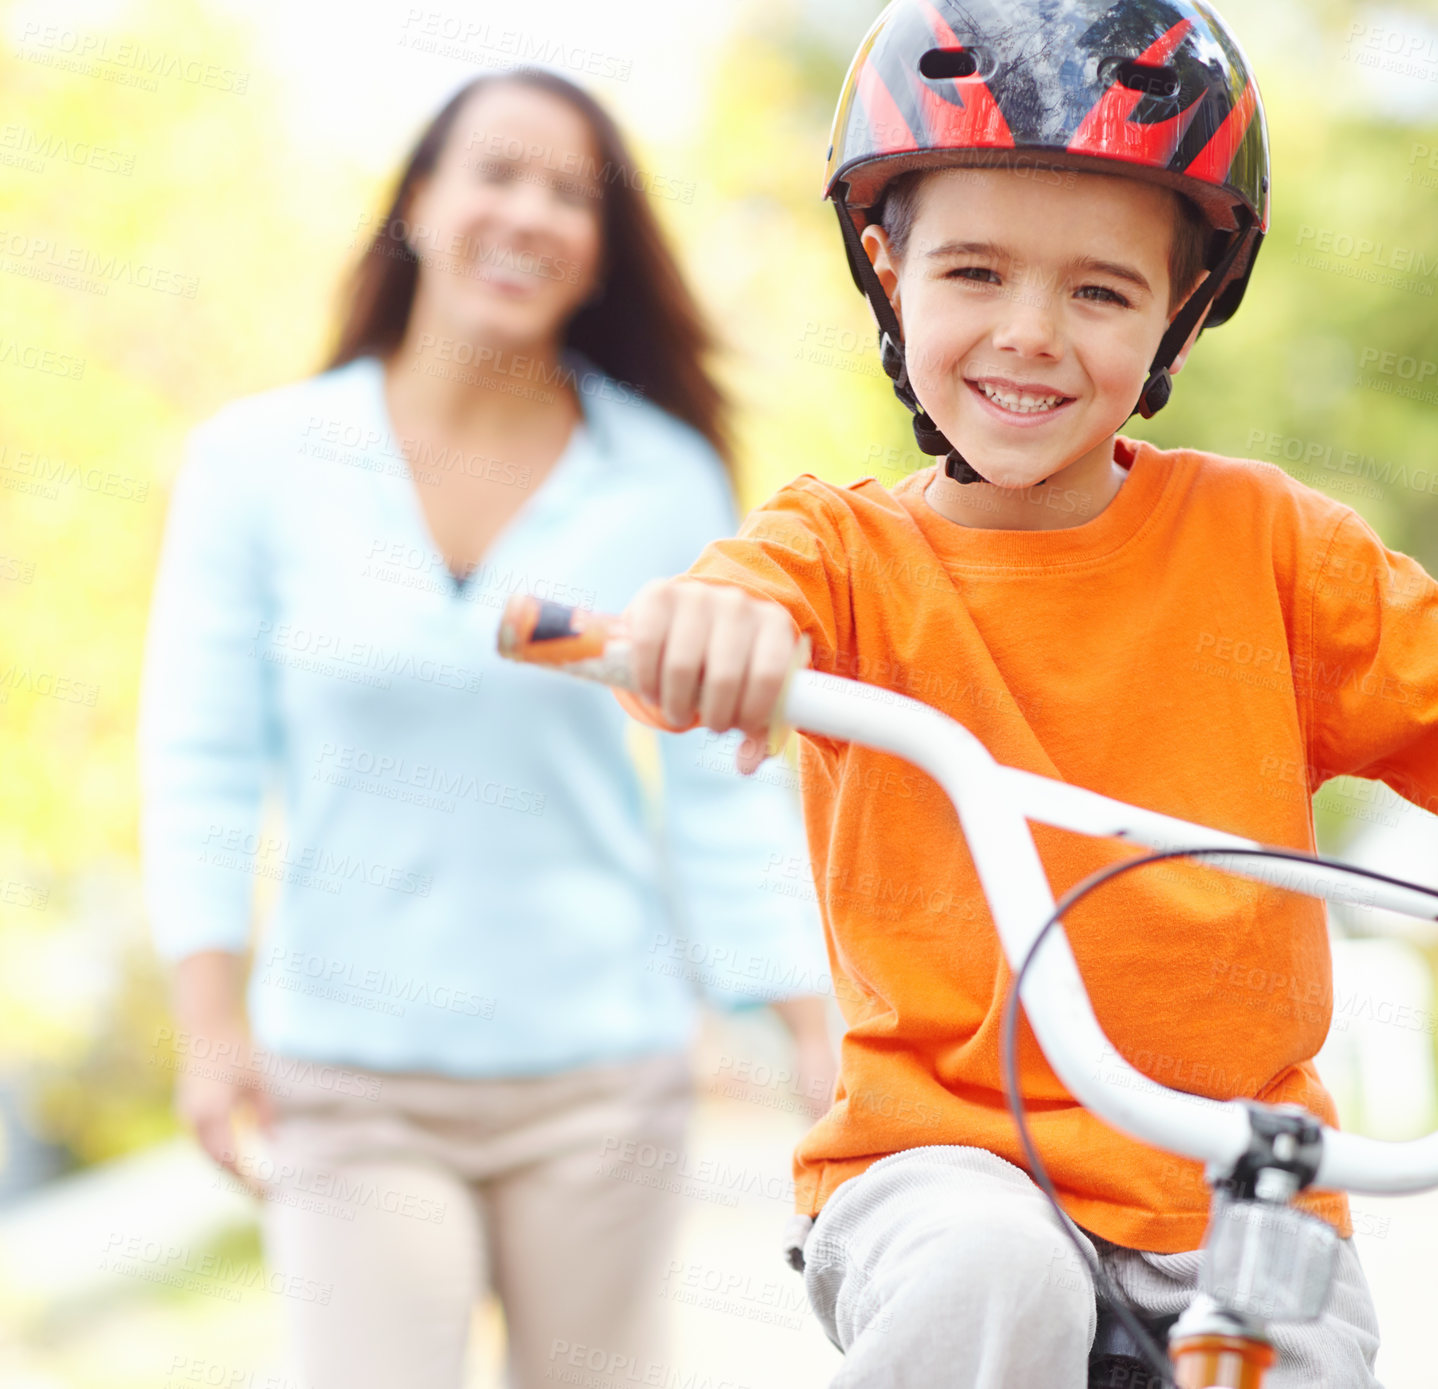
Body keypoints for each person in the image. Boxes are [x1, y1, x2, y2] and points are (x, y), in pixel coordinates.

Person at [610, 1, 1438, 1385]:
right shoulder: (840, 552)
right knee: (989, 1275)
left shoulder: (1274, 552)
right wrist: (709, 637)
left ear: (1180, 305)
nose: (1030, 334)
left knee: (1299, 1349)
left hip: (1235, 1181)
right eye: (975, 272)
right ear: (888, 270)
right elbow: (721, 611)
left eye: (1099, 291)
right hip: (940, 1164)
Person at [138, 67, 833, 1389]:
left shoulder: (661, 476)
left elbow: (721, 782)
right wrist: (209, 1022)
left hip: (598, 1078)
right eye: (497, 174)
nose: (530, 213)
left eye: (571, 192)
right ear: (418, 204)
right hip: (348, 1080)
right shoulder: (258, 462)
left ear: (600, 249)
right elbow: (200, 757)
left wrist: (805, 1017)